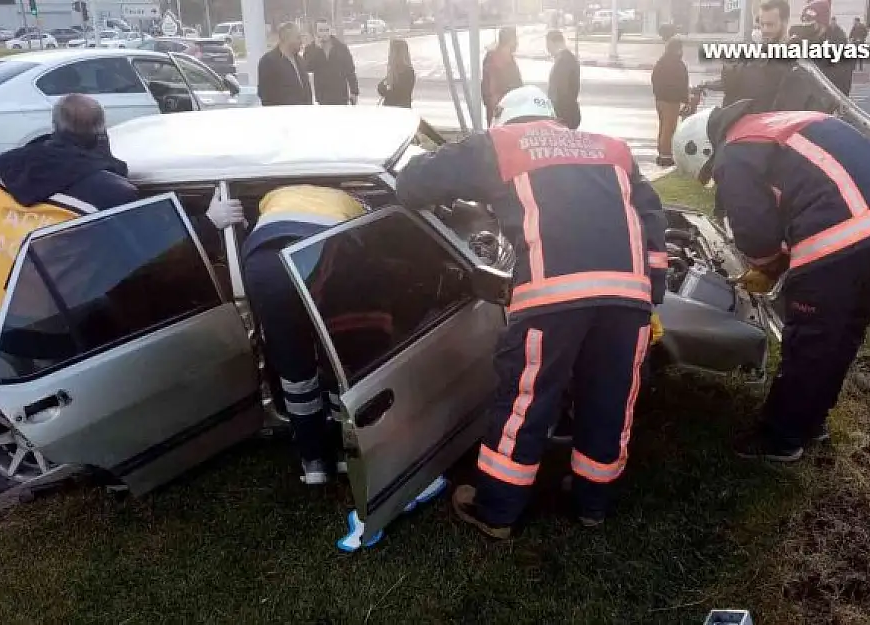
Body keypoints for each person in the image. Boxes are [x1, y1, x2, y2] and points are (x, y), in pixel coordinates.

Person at [394, 86, 671, 539]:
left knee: (526, 401)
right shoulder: (613, 149)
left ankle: (498, 510)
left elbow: (412, 186)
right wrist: (651, 296)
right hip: (628, 299)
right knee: (610, 399)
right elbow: (651, 220)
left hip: (551, 297)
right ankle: (591, 504)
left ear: (504, 118)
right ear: (555, 117)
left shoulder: (499, 143)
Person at [671, 101, 870, 462]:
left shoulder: (735, 150)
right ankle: (812, 419)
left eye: (710, 174)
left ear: (704, 149)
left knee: (808, 338)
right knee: (842, 332)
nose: (716, 180)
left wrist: (767, 268)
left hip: (843, 233)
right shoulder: (776, 123)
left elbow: (756, 232)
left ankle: (781, 438)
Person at [0, 94, 244, 345]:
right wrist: (209, 222)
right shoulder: (107, 193)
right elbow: (156, 251)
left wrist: (14, 246)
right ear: (101, 133)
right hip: (58, 328)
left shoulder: (4, 169)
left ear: (55, 127)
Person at [240, 185, 370, 484]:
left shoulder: (273, 195)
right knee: (336, 357)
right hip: (323, 250)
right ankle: (343, 451)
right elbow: (370, 241)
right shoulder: (351, 201)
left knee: (294, 367)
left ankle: (313, 462)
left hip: (264, 264)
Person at [717, 0, 792, 111]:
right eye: (762, 24)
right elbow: (732, 92)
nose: (765, 30)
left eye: (770, 25)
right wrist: (730, 68)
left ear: (785, 23)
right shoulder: (752, 54)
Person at [798, 0, 853, 95]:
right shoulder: (807, 40)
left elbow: (834, 82)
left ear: (822, 24)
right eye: (804, 21)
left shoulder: (838, 44)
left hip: (828, 103)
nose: (806, 27)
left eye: (810, 23)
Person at [651, 37, 688, 167]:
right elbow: (683, 83)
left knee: (663, 126)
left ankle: (661, 152)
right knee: (669, 128)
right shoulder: (677, 64)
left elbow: (654, 80)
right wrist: (685, 99)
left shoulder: (661, 62)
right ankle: (666, 156)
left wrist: (658, 95)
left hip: (660, 100)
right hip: (671, 101)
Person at [258, 22, 313, 106]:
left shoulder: (300, 61)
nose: (301, 42)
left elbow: (306, 91)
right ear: (286, 39)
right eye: (298, 38)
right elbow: (265, 95)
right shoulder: (268, 62)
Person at [303, 21, 359, 105]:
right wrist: (316, 49)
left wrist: (354, 91)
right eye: (321, 30)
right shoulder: (310, 49)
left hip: (340, 95)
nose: (324, 33)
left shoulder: (341, 47)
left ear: (330, 30)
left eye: (326, 30)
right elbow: (308, 67)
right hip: (322, 96)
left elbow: (350, 70)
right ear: (316, 32)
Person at [480, 27, 523, 127]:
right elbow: (490, 87)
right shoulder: (494, 58)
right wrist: (498, 108)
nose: (517, 43)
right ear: (510, 40)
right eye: (515, 39)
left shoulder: (509, 59)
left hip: (510, 111)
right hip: (501, 111)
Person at [545, 30, 581, 130]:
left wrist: (554, 114)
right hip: (568, 113)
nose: (548, 50)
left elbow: (560, 91)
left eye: (548, 46)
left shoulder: (563, 61)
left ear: (554, 43)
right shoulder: (568, 58)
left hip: (563, 116)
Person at [377, 38, 415, 108]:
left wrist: (387, 87)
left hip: (399, 111)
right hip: (393, 110)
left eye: (391, 52)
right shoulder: (394, 71)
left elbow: (400, 94)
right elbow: (381, 89)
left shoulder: (407, 72)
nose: (389, 55)